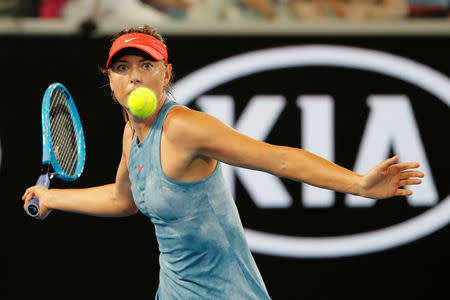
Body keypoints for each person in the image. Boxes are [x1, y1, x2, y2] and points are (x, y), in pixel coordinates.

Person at [22, 24, 425, 299]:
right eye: (122, 68)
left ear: (167, 74)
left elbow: (279, 160)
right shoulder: (132, 133)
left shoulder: (184, 128)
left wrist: (358, 184)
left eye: (147, 65)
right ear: (109, 80)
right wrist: (54, 199)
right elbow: (122, 199)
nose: (135, 77)